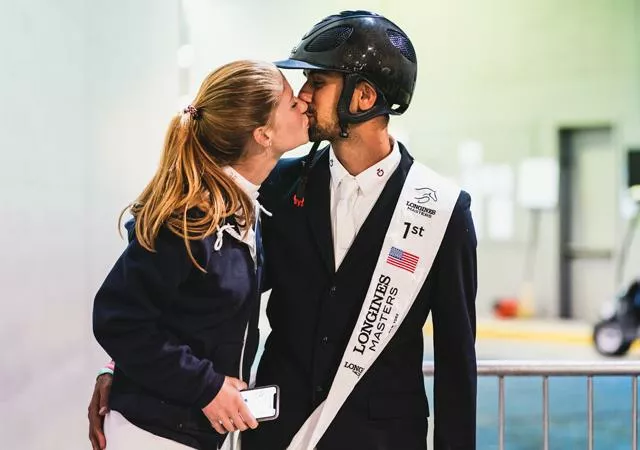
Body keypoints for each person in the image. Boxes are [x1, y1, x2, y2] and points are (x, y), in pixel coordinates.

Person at [89, 10, 477, 450]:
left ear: (364, 97)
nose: (304, 95)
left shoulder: (442, 211)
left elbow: (456, 360)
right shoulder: (274, 185)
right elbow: (190, 294)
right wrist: (119, 369)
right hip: (278, 433)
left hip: (381, 438)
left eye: (318, 81)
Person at [90, 59, 309, 450]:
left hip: (190, 432)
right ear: (263, 134)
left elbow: (178, 312)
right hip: (153, 433)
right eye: (292, 103)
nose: (304, 104)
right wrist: (207, 387)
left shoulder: (243, 209)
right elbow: (119, 319)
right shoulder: (189, 218)